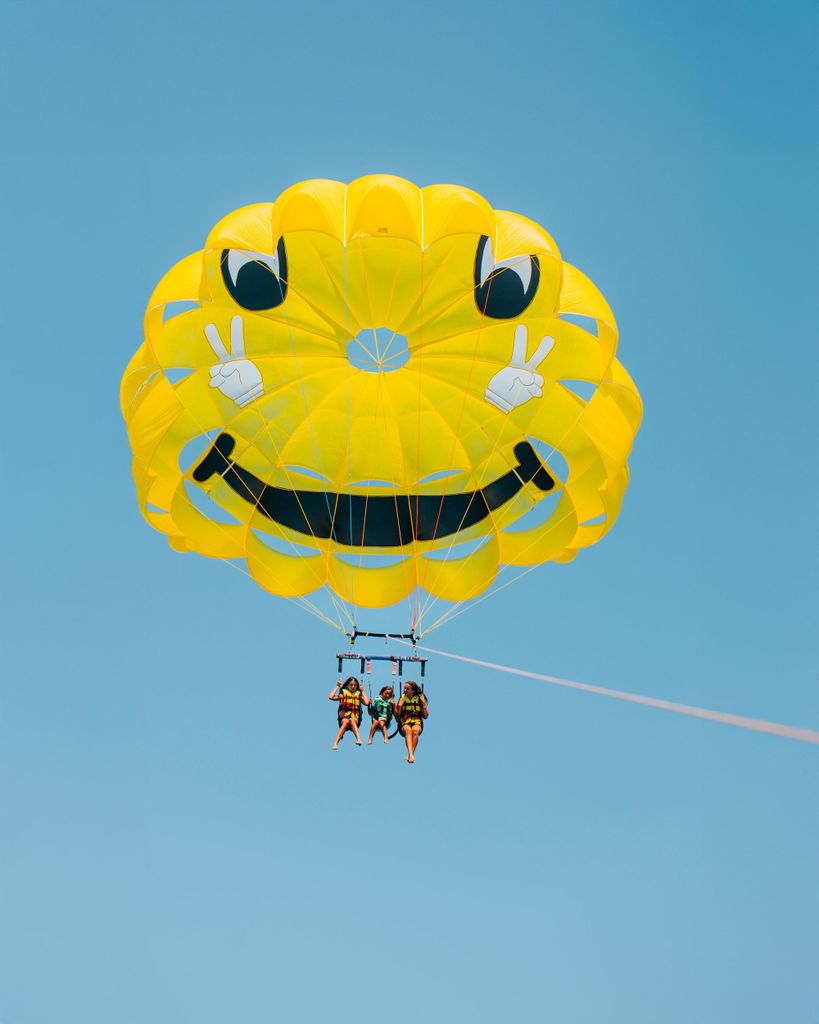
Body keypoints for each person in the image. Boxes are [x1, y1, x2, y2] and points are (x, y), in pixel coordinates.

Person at [329, 676, 370, 749]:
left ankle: (359, 739)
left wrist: (363, 691)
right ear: (347, 685)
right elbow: (330, 697)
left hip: (355, 717)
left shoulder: (359, 695)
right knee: (346, 721)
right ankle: (335, 743)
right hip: (344, 716)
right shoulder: (343, 694)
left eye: (355, 685)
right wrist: (337, 686)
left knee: (351, 720)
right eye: (351, 685)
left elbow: (367, 703)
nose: (353, 686)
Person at [396, 680, 428, 763]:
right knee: (408, 730)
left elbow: (425, 716)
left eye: (407, 689)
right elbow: (397, 718)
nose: (405, 690)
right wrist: (399, 706)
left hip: (416, 720)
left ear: (413, 690)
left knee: (415, 730)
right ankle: (411, 755)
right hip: (405, 721)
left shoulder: (419, 698)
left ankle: (410, 755)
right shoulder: (402, 698)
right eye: (404, 688)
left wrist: (424, 704)